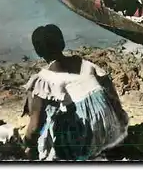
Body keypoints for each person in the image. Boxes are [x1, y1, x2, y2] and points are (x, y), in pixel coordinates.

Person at [23, 24, 128, 161]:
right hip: (112, 132)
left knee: (46, 110)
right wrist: (119, 118)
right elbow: (112, 94)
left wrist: (27, 143)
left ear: (38, 51)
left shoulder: (44, 80)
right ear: (62, 43)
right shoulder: (85, 64)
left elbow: (35, 128)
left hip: (85, 139)